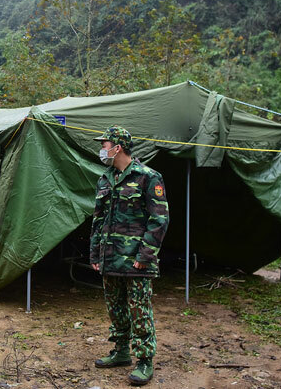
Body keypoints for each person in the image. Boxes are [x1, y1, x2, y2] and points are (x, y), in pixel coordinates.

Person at [89, 125, 169, 386]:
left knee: (139, 311)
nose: (102, 149)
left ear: (117, 147)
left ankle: (145, 360)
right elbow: (98, 220)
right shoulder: (105, 179)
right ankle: (121, 351)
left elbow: (159, 220)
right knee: (116, 308)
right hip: (110, 258)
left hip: (136, 261)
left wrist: (145, 256)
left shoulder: (148, 177)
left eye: (104, 145)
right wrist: (95, 253)